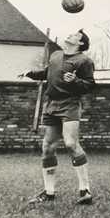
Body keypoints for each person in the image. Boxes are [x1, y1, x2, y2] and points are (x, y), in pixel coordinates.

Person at [18, 29, 95, 205]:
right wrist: (30, 73)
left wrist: (74, 81)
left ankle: (85, 190)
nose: (70, 34)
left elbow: (90, 85)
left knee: (70, 143)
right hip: (51, 104)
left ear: (81, 43)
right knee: (47, 147)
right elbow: (47, 73)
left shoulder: (84, 61)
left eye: (75, 35)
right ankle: (49, 192)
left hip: (70, 104)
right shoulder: (56, 55)